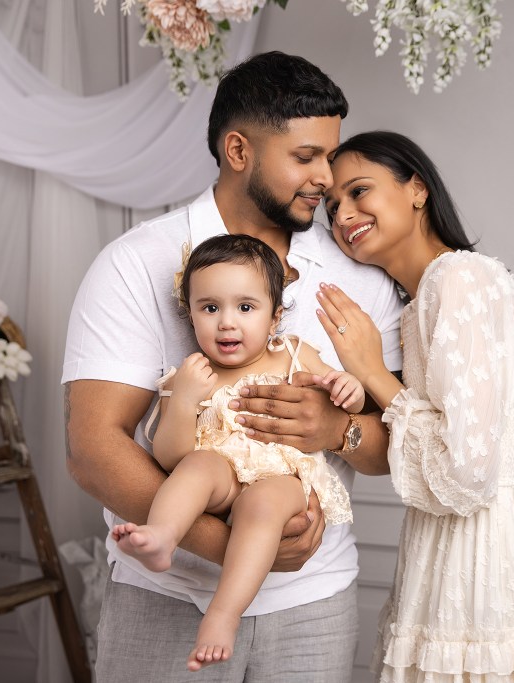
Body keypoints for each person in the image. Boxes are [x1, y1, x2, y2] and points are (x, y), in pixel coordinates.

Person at [63, 53, 404, 683]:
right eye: (306, 157)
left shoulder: (361, 278)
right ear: (239, 149)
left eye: (330, 156)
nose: (326, 179)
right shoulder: (135, 263)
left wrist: (334, 431)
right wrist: (239, 548)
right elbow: (91, 449)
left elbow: (392, 449)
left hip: (315, 603)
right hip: (165, 599)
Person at [316, 131, 514, 682]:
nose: (343, 214)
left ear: (416, 189)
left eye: (358, 191)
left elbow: (465, 473)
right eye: (331, 205)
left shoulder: (460, 277)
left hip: (481, 551)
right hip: (442, 546)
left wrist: (370, 371)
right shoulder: (424, 296)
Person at [110, 234, 363, 671]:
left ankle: (222, 615)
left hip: (281, 477)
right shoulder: (189, 375)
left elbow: (344, 404)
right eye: (210, 308)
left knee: (263, 503)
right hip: (223, 476)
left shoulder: (294, 355)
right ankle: (162, 538)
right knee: (199, 464)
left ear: (275, 317)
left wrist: (348, 388)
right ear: (190, 316)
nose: (227, 322)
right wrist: (185, 399)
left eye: (245, 308)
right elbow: (169, 457)